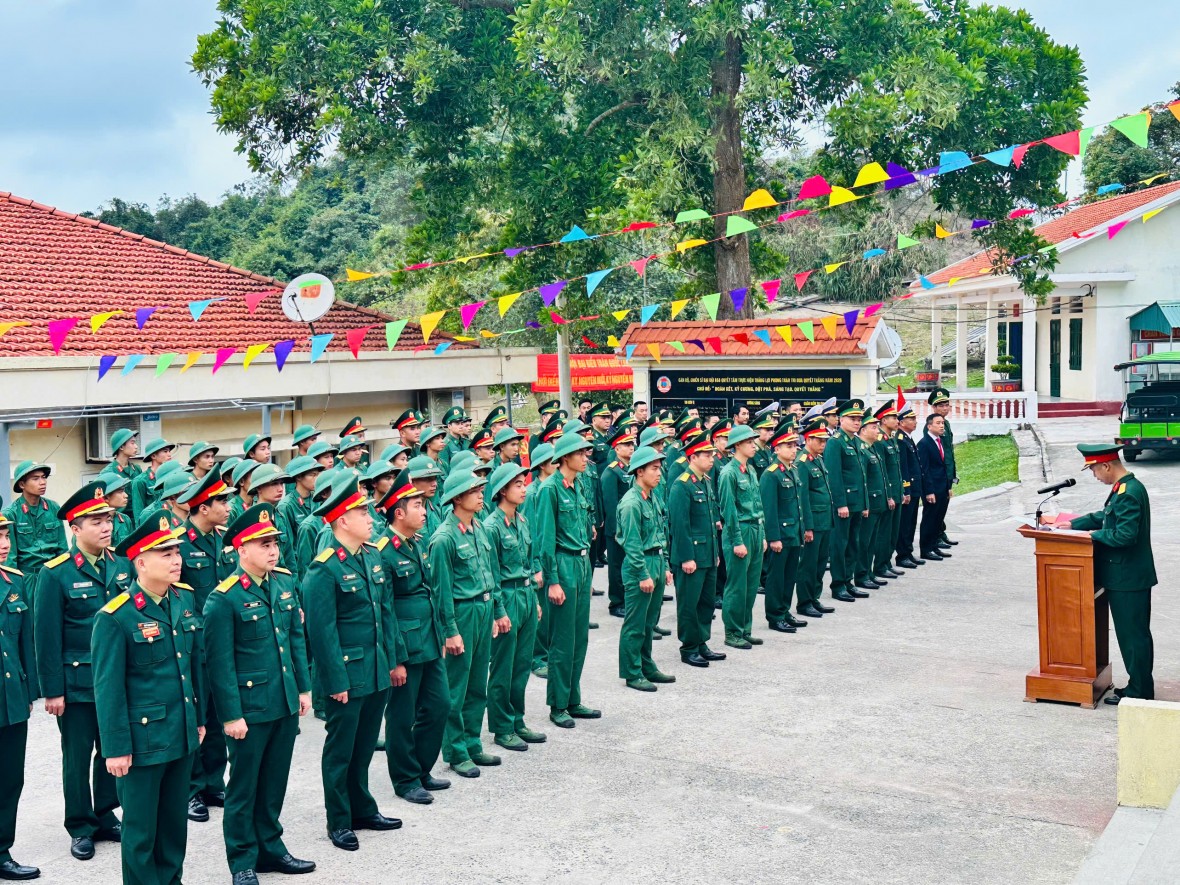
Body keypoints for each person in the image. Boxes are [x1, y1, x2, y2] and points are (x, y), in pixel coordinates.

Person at [203, 503, 315, 884]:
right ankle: (242, 860)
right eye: (262, 543)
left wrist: (303, 688)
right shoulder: (224, 598)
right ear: (241, 549)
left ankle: (271, 847)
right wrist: (231, 715)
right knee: (244, 787)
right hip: (249, 709)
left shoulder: (283, 582)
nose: (272, 550)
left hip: (282, 700)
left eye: (274, 543)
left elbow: (295, 640)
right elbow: (219, 665)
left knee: (273, 782)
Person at [94, 509, 205, 885]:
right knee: (141, 833)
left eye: (177, 553)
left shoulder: (183, 601)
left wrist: (200, 719)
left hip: (181, 734)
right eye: (166, 554)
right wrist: (115, 748)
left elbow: (194, 668)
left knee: (173, 828)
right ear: (141, 562)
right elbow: (108, 689)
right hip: (141, 742)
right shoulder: (115, 617)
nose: (177, 561)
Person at [303, 475, 402, 851]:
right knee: (341, 750)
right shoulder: (324, 568)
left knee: (363, 747)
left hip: (375, 669)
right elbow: (322, 632)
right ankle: (339, 820)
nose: (371, 517)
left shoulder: (372, 555)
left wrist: (392, 661)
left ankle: (363, 808)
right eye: (362, 512)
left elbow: (385, 613)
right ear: (342, 520)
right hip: (347, 673)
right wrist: (335, 681)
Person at [35, 481, 131, 861]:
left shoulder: (122, 565)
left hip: (116, 682)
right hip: (75, 684)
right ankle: (80, 825)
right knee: (76, 757)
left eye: (107, 518)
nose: (105, 526)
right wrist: (52, 691)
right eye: (95, 520)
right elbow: (46, 637)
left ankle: (105, 815)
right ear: (74, 529)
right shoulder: (55, 574)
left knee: (112, 749)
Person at [374, 470, 452, 805]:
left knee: (439, 705)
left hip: (428, 641)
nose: (424, 510)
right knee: (402, 716)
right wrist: (395, 658)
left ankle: (421, 768)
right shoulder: (383, 551)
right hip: (405, 647)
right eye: (417, 505)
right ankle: (405, 779)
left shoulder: (416, 543)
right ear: (399, 512)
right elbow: (385, 609)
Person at [1066, 444, 1157, 705]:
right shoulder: (1124, 488)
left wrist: (1091, 535)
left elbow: (1125, 536)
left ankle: (1139, 690)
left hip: (1128, 578)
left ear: (1106, 465)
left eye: (1094, 470)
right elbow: (1106, 517)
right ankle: (1139, 684)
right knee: (1133, 634)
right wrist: (1073, 524)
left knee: (1133, 636)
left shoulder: (1128, 492)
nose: (1095, 476)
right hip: (1126, 576)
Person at [428, 470, 500, 778]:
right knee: (456, 687)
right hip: (463, 613)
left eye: (482, 489)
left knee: (477, 683)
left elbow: (490, 572)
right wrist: (450, 631)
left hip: (483, 609)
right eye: (474, 490)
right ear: (457, 498)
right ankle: (456, 751)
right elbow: (441, 592)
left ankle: (472, 742)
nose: (481, 494)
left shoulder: (479, 527)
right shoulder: (443, 539)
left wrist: (498, 611)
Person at [175, 471, 236, 824]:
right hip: (192, 643)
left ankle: (214, 782)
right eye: (222, 502)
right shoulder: (179, 544)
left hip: (221, 642)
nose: (227, 507)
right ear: (202, 506)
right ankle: (192, 789)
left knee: (217, 714)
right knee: (194, 716)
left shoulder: (224, 540)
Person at [532, 432, 601, 728]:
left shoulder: (578, 485)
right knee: (562, 640)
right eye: (581, 453)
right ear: (566, 457)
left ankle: (573, 698)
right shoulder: (549, 490)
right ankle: (558, 704)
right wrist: (553, 581)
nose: (585, 458)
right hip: (563, 563)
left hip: (582, 562)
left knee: (579, 637)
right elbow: (545, 539)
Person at [483, 463, 546, 751]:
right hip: (506, 598)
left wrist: (533, 598)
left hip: (525, 596)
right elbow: (491, 574)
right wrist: (498, 611)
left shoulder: (521, 520)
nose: (523, 488)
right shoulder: (491, 527)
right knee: (503, 667)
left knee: (521, 666)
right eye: (517, 484)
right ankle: (501, 726)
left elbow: (528, 565)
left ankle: (517, 719)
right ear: (502, 491)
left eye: (524, 483)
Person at [0, 506, 39, 882]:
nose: (4, 544)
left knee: (10, 778)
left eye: (6, 536)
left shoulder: (13, 581)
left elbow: (26, 641)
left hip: (11, 699)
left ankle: (1, 850)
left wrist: (31, 690)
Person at [615, 446, 675, 691]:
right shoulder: (630, 503)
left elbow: (661, 532)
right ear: (639, 471)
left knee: (650, 621)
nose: (658, 473)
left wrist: (667, 565)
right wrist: (642, 574)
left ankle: (646, 665)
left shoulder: (652, 496)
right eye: (653, 468)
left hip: (657, 560)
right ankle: (632, 672)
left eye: (659, 468)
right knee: (636, 623)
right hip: (641, 564)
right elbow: (631, 543)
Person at [666, 431, 725, 668]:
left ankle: (702, 642)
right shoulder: (682, 486)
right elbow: (680, 526)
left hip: (708, 554)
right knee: (689, 604)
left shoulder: (705, 481)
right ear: (692, 457)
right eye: (706, 455)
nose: (711, 459)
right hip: (692, 557)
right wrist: (686, 557)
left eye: (712, 454)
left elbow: (710, 522)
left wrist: (715, 553)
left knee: (705, 602)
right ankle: (689, 647)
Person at [718, 424, 766, 649]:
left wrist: (763, 534)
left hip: (755, 529)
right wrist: (737, 540)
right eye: (749, 442)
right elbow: (729, 511)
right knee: (737, 585)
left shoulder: (751, 469)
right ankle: (732, 632)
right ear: (737, 445)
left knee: (751, 583)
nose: (754, 445)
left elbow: (758, 504)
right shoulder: (729, 473)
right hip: (740, 531)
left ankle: (745, 629)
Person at [760, 418, 808, 634]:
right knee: (777, 577)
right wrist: (773, 537)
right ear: (777, 447)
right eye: (788, 445)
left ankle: (785, 610)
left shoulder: (793, 469)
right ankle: (774, 615)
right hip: (781, 534)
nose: (794, 449)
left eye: (795, 445)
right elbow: (769, 510)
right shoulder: (771, 474)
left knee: (790, 576)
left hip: (794, 532)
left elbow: (797, 504)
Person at [5, 461, 67, 606]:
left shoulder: (53, 508)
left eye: (44, 477)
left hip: (53, 575)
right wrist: (14, 586)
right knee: (31, 623)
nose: (42, 482)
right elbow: (10, 557)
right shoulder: (11, 514)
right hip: (27, 578)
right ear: (22, 485)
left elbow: (62, 549)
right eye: (35, 478)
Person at [823, 401, 867, 603]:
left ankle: (848, 581)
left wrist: (864, 503)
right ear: (841, 420)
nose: (857, 422)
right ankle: (838, 584)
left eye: (859, 419)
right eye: (853, 419)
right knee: (840, 545)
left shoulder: (856, 442)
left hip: (857, 502)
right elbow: (834, 475)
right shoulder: (835, 442)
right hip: (844, 504)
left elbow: (862, 476)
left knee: (853, 544)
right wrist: (840, 503)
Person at [795, 418, 836, 620]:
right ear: (808, 439)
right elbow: (803, 498)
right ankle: (804, 602)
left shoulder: (818, 459)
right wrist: (807, 527)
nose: (823, 444)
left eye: (824, 440)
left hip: (825, 520)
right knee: (809, 564)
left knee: (820, 563)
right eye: (819, 440)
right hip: (814, 523)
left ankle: (814, 597)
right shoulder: (802, 463)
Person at [525, 444, 557, 679]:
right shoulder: (533, 492)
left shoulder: (551, 488)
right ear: (542, 466)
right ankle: (537, 658)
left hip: (551, 557)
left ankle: (546, 653)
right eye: (554, 461)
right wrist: (536, 566)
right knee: (541, 613)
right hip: (537, 562)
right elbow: (533, 532)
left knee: (549, 612)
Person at [599, 425, 636, 619]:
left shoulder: (632, 468)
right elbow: (610, 505)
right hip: (617, 529)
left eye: (632, 444)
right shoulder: (611, 472)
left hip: (630, 526)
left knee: (628, 564)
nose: (631, 448)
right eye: (626, 444)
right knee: (616, 565)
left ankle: (627, 599)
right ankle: (616, 602)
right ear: (616, 448)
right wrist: (615, 530)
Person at [853, 412, 887, 593]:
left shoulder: (873, 447)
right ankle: (861, 575)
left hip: (877, 501)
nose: (877, 430)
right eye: (873, 427)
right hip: (869, 502)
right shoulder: (861, 449)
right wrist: (865, 503)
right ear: (863, 430)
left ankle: (869, 572)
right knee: (864, 542)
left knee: (872, 540)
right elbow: (862, 479)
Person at [872, 401, 905, 583]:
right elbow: (882, 471)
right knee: (884, 533)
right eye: (893, 417)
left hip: (896, 491)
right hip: (888, 494)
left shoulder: (891, 438)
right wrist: (889, 495)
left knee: (893, 531)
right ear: (884, 420)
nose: (897, 420)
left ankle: (887, 563)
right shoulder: (879, 442)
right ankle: (880, 565)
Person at [275, 456, 322, 573]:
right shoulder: (286, 506)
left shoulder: (318, 499)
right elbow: (289, 547)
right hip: (301, 566)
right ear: (299, 477)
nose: (317, 478)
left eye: (317, 474)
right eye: (312, 475)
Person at [917, 414, 952, 561]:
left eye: (942, 423)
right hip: (932, 489)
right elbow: (924, 470)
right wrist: (929, 491)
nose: (941, 425)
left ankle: (934, 546)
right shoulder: (924, 443)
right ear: (929, 426)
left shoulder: (940, 441)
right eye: (938, 423)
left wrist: (948, 486)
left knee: (938, 519)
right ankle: (926, 549)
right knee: (930, 519)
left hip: (942, 487)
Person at [927, 388, 959, 547]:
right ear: (934, 408)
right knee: (936, 508)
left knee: (943, 506)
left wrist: (952, 473)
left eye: (947, 405)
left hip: (947, 471)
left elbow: (948, 451)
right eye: (941, 406)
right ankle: (937, 535)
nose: (945, 408)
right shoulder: (933, 425)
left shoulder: (946, 423)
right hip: (938, 474)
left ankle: (941, 532)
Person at [894, 404, 924, 569]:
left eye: (914, 418)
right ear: (901, 422)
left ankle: (908, 551)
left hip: (915, 487)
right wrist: (906, 489)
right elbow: (903, 467)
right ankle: (902, 555)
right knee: (905, 524)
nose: (915, 422)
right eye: (911, 419)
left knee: (912, 523)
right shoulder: (900, 439)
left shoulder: (908, 438)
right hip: (908, 488)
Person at [129, 440, 175, 521]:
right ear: (153, 456)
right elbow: (138, 513)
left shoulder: (172, 478)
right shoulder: (140, 481)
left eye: (169, 451)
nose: (169, 454)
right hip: (152, 525)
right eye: (165, 451)